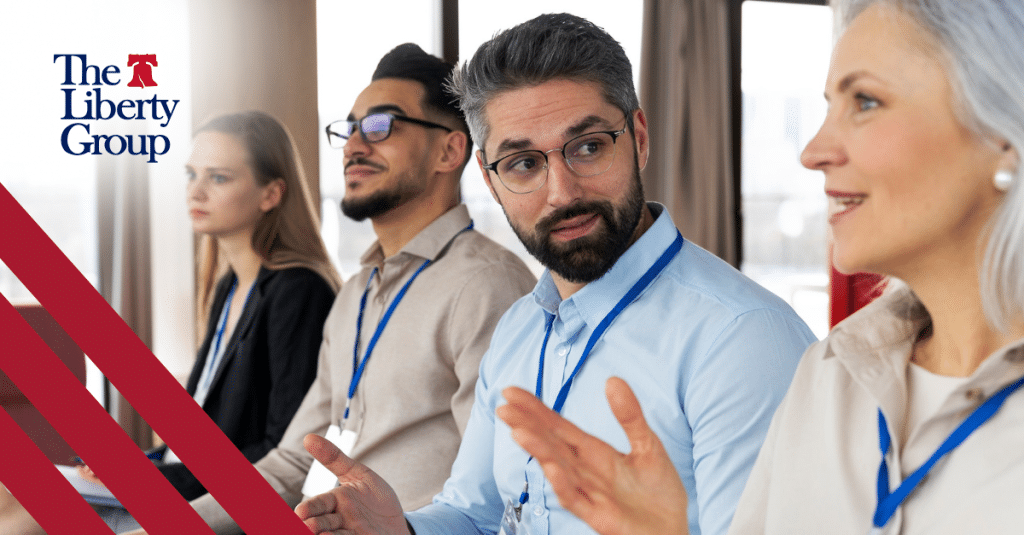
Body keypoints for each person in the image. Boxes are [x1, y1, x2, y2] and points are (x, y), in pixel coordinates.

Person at [497, 1, 1024, 534]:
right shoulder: (831, 376)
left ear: (1003, 129)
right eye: (523, 163)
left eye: (865, 101)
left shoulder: (752, 337)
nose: (812, 151)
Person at [295, 14, 816, 535]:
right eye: (523, 163)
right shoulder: (520, 327)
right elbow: (477, 514)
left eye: (588, 147)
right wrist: (404, 530)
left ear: (637, 138)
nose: (562, 192)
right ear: (490, 179)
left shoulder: (742, 337)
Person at [124, 43, 535, 535]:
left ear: (449, 150)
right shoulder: (356, 293)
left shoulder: (485, 284)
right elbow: (291, 464)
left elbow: (504, 491)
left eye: (382, 125)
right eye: (352, 127)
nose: (355, 145)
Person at [0, 111, 342, 534]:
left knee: (21, 519)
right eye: (190, 174)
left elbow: (280, 454)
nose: (195, 191)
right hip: (182, 485)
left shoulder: (298, 292)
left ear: (271, 194)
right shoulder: (230, 286)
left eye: (218, 178)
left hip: (215, 507)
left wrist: (149, 480)